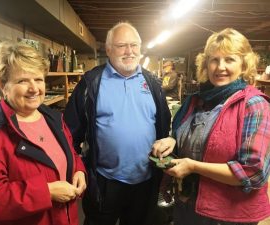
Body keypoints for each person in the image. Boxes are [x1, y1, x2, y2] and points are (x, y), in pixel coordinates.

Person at [151, 28, 270, 225]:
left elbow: (253, 172)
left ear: (244, 64)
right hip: (188, 204)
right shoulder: (195, 101)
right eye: (214, 60)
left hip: (227, 214)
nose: (219, 67)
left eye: (229, 59)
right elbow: (188, 135)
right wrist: (172, 140)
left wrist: (194, 167)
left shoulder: (254, 105)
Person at [64, 22, 171, 225]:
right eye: (122, 45)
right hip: (104, 181)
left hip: (145, 181)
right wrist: (76, 168)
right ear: (109, 49)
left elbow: (164, 128)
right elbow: (69, 132)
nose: (129, 51)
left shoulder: (153, 83)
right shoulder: (91, 82)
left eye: (134, 45)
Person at [0, 41, 86, 225]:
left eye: (38, 79)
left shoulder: (53, 119)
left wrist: (79, 170)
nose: (34, 89)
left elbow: (69, 153)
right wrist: (46, 192)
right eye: (23, 80)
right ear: (2, 85)